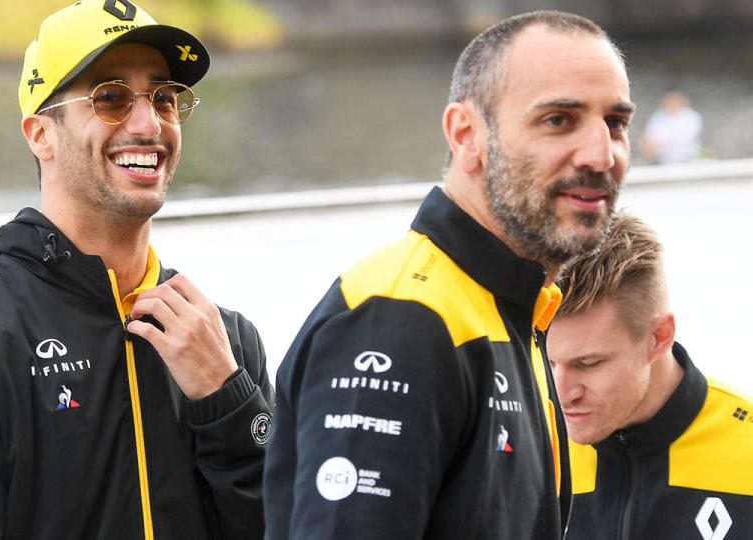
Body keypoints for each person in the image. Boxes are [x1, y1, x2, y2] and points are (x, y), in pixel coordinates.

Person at [0, 1, 273, 538]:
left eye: (164, 97)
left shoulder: (225, 343)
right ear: (40, 133)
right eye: (110, 98)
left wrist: (230, 405)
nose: (148, 122)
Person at [264, 10, 635, 539]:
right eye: (558, 119)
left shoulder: (508, 306)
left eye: (615, 123)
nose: (603, 155)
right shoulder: (400, 320)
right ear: (467, 135)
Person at [547, 212, 753, 540]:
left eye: (588, 363)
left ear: (658, 337)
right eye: (549, 363)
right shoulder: (529, 451)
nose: (561, 394)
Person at [638, 90, 702, 164]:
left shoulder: (691, 116)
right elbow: (650, 134)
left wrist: (660, 143)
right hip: (659, 158)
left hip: (684, 158)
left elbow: (685, 138)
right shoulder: (658, 115)